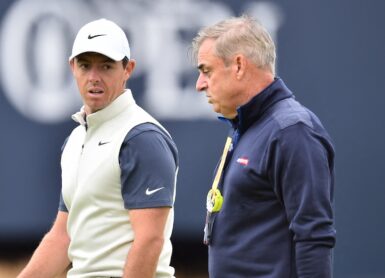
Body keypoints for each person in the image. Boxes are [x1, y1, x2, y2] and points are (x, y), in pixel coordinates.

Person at [18, 18, 178, 278]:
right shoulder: (76, 139)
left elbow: (150, 240)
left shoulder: (142, 137)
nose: (94, 77)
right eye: (85, 65)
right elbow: (63, 236)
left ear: (128, 69)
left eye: (106, 66)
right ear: (72, 67)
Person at [192, 15, 336, 277]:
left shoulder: (292, 131)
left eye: (206, 70)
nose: (200, 84)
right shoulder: (248, 128)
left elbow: (314, 237)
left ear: (238, 65)